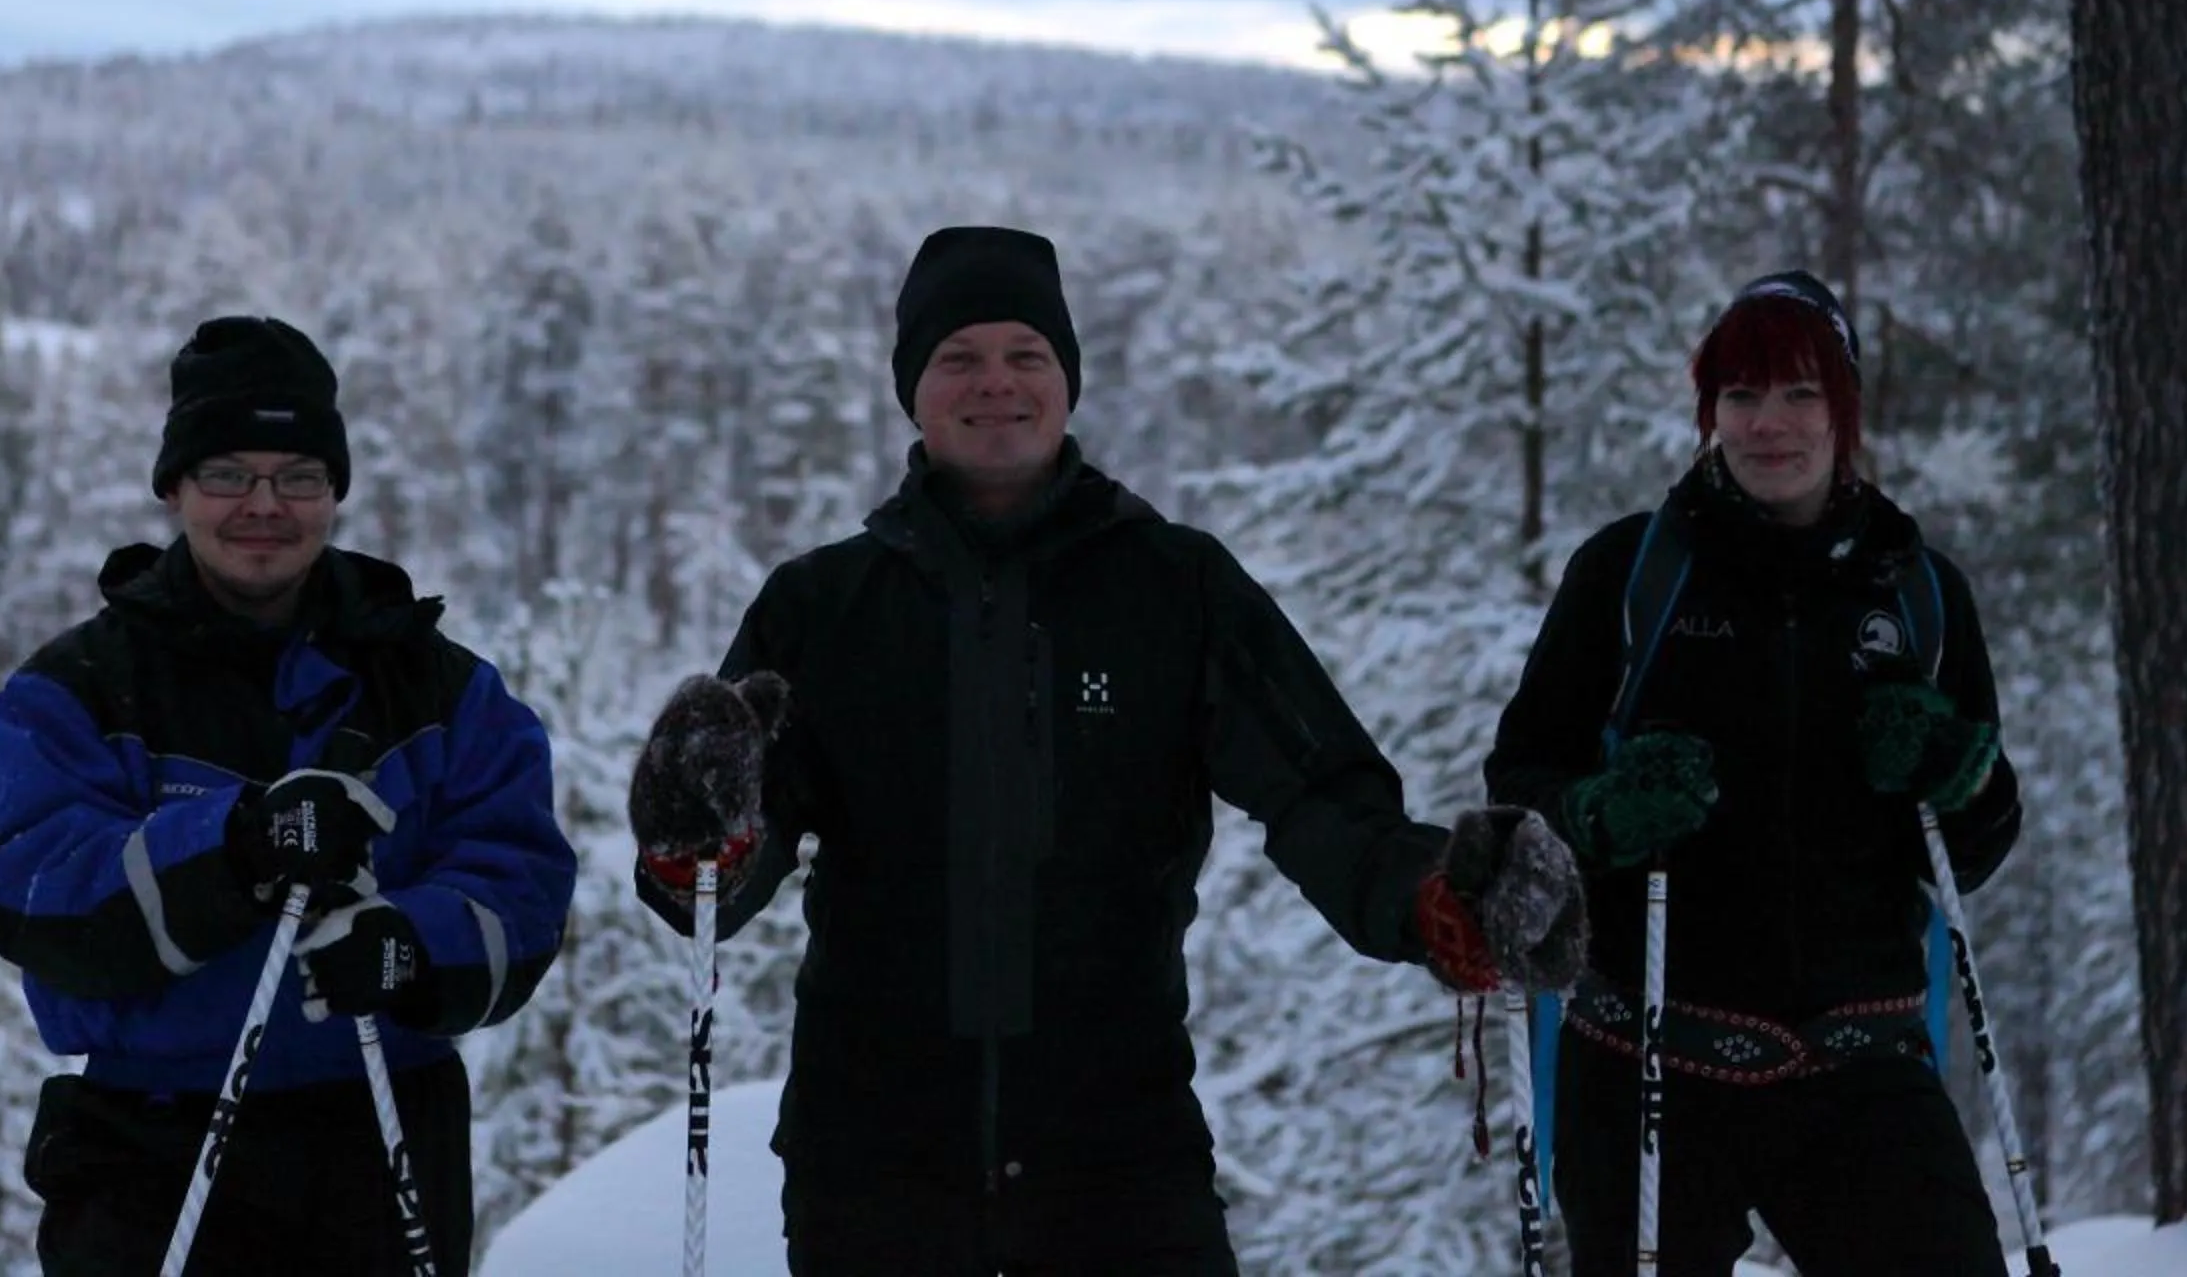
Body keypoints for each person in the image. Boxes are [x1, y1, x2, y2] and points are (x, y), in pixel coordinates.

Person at [625, 224, 1585, 1276]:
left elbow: (1325, 798)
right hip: (872, 1168)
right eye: (959, 357)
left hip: (1121, 1162)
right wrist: (693, 840)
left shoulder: (1176, 585)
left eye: (1026, 354)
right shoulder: (822, 604)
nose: (996, 382)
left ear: (1068, 381)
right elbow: (719, 876)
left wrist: (1437, 897)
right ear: (914, 389)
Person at [0, 314, 579, 1276]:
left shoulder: (443, 692)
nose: (264, 504)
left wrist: (410, 944)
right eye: (227, 475)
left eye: (298, 477)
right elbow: (33, 891)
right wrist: (238, 847)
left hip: (381, 1137)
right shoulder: (78, 692)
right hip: (149, 1146)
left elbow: (525, 889)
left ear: (334, 492)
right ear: (175, 489)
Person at [1485, 270, 2022, 1276]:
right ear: (1710, 411)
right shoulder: (1631, 574)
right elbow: (1519, 781)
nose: (1769, 422)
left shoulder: (1917, 592)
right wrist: (1600, 812)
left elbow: (1977, 841)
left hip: (1860, 1062)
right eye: (1741, 393)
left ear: (1846, 408)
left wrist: (1955, 769)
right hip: (1647, 1052)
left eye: (1800, 392)